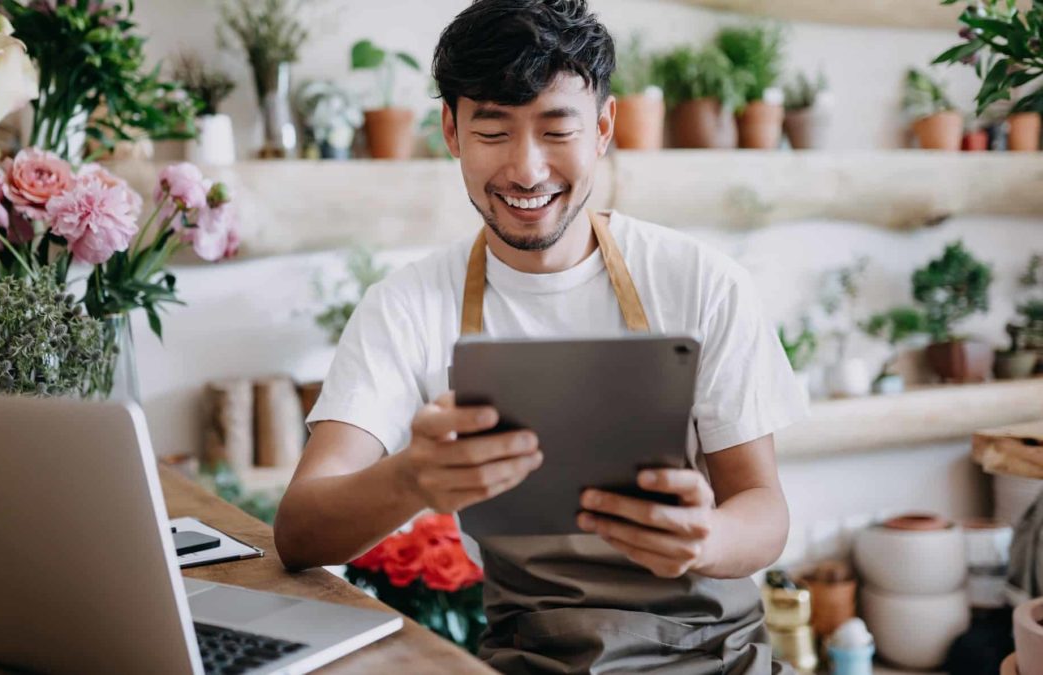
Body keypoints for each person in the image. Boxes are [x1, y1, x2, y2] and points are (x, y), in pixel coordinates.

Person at [274, 1, 809, 672]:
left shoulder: (701, 281)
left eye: (557, 130)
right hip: (534, 659)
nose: (526, 170)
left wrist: (706, 537)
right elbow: (298, 530)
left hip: (716, 655)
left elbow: (764, 508)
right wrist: (412, 476)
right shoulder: (405, 308)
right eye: (493, 132)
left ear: (604, 127)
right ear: (451, 131)